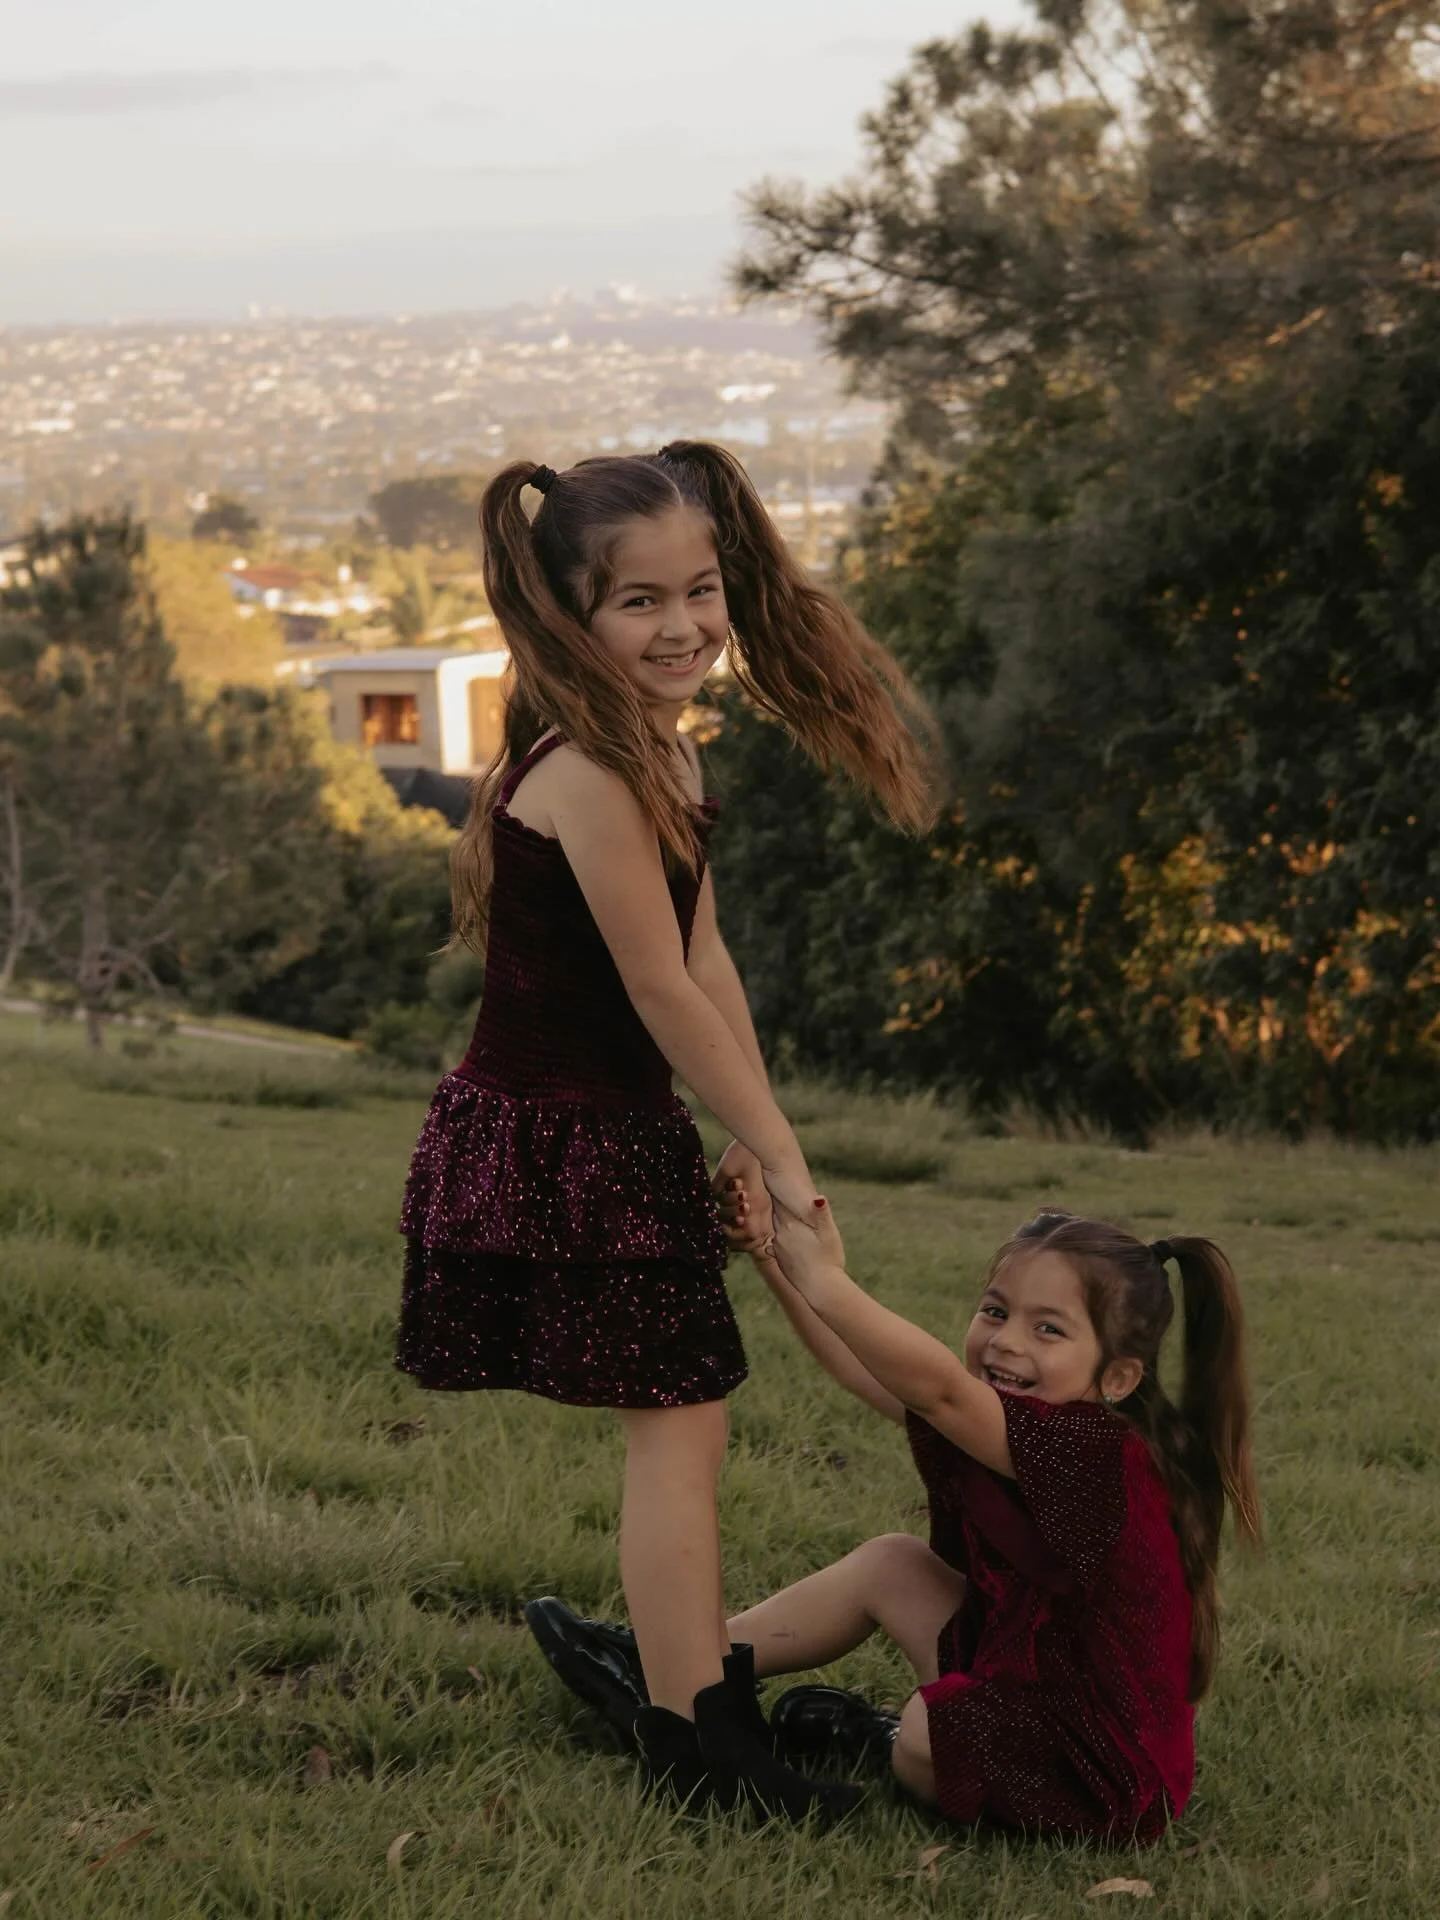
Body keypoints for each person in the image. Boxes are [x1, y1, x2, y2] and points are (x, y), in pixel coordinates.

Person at [395, 443, 934, 1822]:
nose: (683, 624)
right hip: (561, 1139)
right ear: (570, 611)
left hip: (618, 1129)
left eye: (700, 590)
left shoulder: (662, 745)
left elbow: (708, 963)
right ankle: (699, 1741)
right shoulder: (586, 768)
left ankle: (690, 1694)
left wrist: (762, 1138)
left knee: (685, 1429)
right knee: (680, 1432)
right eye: (640, 602)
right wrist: (787, 1156)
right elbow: (649, 986)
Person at [534, 1195, 1260, 1845]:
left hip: (1094, 1766)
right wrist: (773, 1259)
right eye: (997, 1311)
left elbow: (939, 1391)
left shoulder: (1095, 1451)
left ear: (1118, 1377)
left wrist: (827, 1278)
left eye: (1049, 1330)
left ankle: (874, 1738)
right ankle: (679, 1667)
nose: (1006, 1342)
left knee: (923, 1737)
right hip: (1031, 1673)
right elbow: (871, 1372)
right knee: (893, 1564)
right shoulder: (1016, 1427)